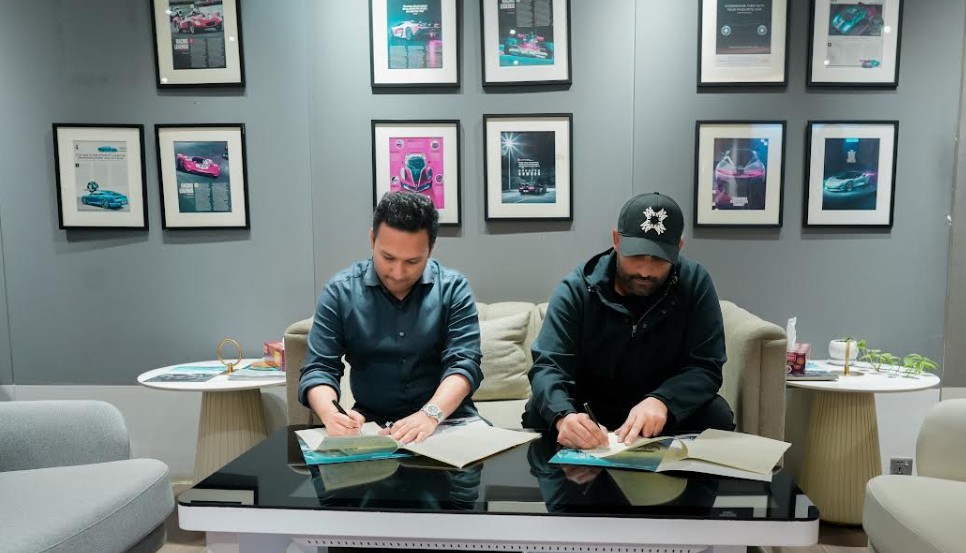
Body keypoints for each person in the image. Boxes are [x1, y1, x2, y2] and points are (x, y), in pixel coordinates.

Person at [523, 192, 734, 449]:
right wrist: (564, 416)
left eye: (659, 258)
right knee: (540, 411)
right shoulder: (577, 289)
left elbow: (706, 365)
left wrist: (663, 400)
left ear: (678, 248)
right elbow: (548, 364)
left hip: (661, 411)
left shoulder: (695, 283)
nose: (645, 271)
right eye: (635, 256)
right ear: (616, 240)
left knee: (717, 415)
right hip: (590, 409)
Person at [298, 191, 483, 444]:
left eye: (412, 261)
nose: (398, 273)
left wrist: (430, 415)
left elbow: (464, 363)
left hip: (445, 419)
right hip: (373, 423)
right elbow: (319, 368)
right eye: (388, 258)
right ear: (372, 239)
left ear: (431, 249)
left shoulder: (454, 288)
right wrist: (332, 414)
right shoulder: (340, 292)